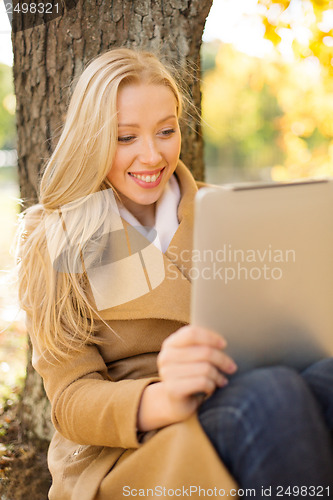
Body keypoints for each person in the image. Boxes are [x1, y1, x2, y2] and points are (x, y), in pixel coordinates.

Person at [16, 48, 333, 500]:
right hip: (131, 446)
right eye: (125, 138)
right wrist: (162, 397)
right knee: (271, 396)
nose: (152, 155)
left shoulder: (230, 209)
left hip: (249, 386)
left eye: (166, 131)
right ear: (91, 138)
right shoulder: (59, 237)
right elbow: (70, 400)